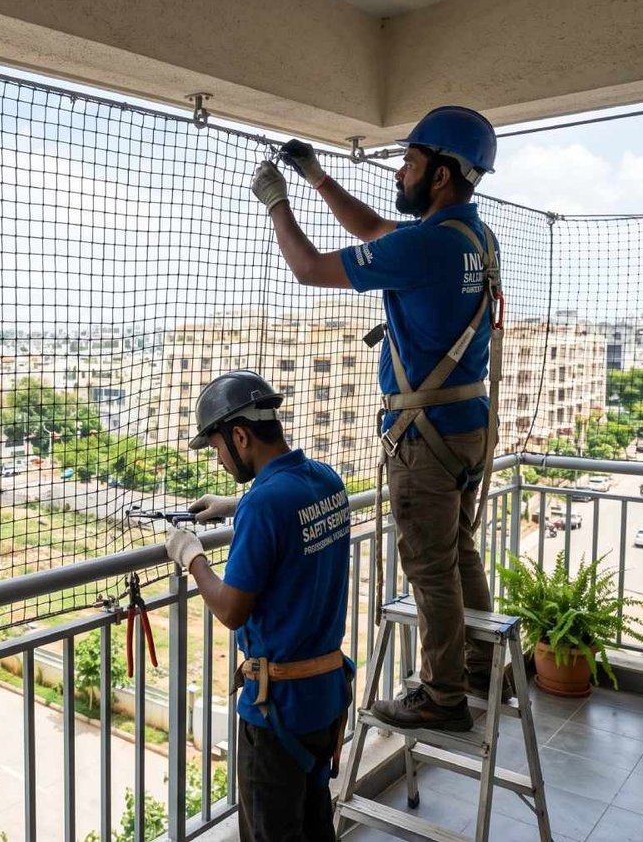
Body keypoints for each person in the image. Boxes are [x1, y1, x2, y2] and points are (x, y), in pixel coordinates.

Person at [247, 106, 501, 731]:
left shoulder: (426, 246)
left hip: (426, 439)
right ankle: (477, 664)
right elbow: (381, 234)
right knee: (459, 549)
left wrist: (277, 201)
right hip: (468, 425)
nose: (401, 171)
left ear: (441, 175)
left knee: (428, 567)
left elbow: (308, 269)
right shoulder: (471, 238)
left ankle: (442, 697)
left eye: (411, 162)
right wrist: (319, 178)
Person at [164, 370, 352, 842]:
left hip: (276, 715)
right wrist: (238, 505)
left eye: (217, 448)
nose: (220, 458)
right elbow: (291, 516)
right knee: (315, 827)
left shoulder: (265, 505)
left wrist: (193, 556)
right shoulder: (326, 480)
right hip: (324, 699)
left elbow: (231, 610)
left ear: (241, 435)